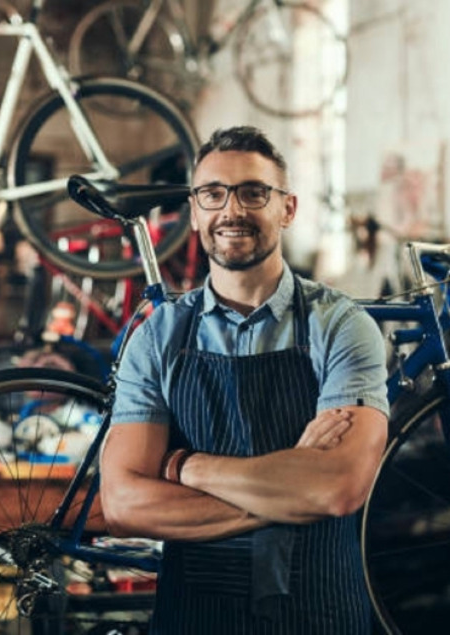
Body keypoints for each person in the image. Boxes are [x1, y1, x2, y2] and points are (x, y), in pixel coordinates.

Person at [100, 125, 389, 634]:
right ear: (194, 212)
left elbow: (338, 489)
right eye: (213, 194)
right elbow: (123, 504)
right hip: (196, 620)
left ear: (287, 208)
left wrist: (186, 466)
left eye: (254, 192)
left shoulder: (342, 327)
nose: (231, 210)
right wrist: (292, 491)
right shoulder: (157, 339)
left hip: (321, 616)